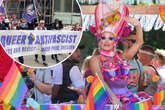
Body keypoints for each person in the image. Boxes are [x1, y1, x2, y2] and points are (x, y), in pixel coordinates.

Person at [87, 1, 148, 109]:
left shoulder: (122, 58)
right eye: (103, 37)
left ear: (115, 41)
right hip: (107, 102)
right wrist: (114, 99)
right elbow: (101, 83)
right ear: (99, 40)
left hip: (127, 99)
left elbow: (139, 43)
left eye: (110, 38)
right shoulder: (95, 60)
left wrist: (138, 25)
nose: (106, 41)